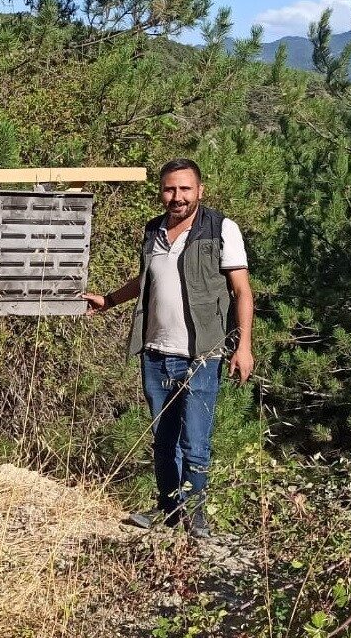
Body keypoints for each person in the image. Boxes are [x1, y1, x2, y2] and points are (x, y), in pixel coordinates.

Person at [83, 158, 254, 538]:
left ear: (200, 191)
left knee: (195, 441)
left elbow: (242, 291)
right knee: (164, 439)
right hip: (156, 353)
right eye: (170, 189)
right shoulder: (153, 230)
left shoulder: (221, 229)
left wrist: (244, 346)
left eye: (185, 189)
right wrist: (109, 300)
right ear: (161, 191)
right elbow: (147, 279)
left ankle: (196, 518)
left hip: (202, 355)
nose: (177, 197)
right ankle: (169, 510)